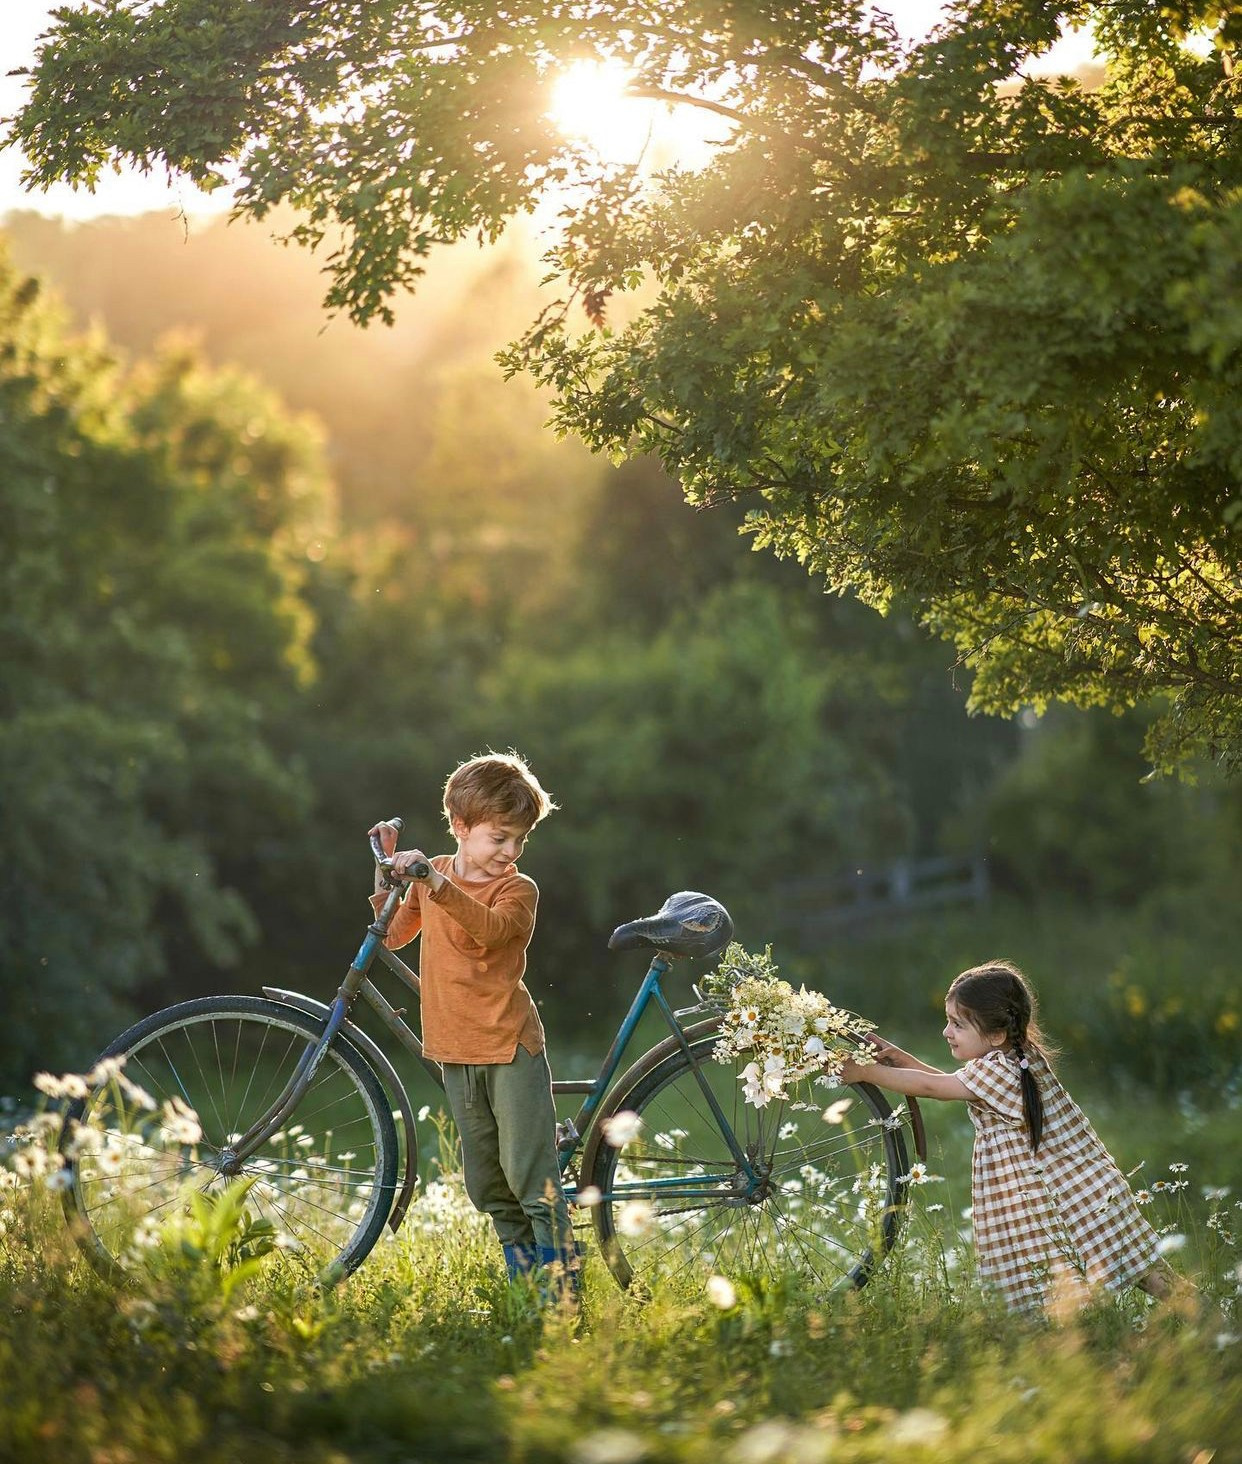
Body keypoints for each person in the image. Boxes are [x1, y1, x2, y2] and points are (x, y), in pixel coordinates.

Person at [838, 959, 1173, 1316]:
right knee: (1137, 1269)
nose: (946, 1032)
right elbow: (953, 1083)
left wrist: (864, 1072)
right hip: (1073, 1191)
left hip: (1067, 1197)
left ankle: (1211, 1321)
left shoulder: (1000, 1070)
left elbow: (934, 1087)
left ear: (996, 1034)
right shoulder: (1017, 1058)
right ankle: (1204, 1317)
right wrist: (901, 1059)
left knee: (1144, 1274)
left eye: (957, 1024)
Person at [367, 751, 577, 1299]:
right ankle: (527, 1289)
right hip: (455, 1049)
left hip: (508, 1046)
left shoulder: (517, 890)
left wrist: (434, 881)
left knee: (533, 1181)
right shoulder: (431, 875)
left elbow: (490, 931)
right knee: (487, 1184)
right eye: (499, 837)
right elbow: (390, 934)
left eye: (519, 841)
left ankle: (562, 1300)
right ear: (460, 827)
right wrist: (389, 872)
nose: (510, 852)